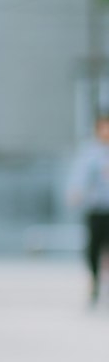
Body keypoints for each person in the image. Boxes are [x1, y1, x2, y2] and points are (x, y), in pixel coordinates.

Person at [67, 113, 109, 307]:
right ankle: (94, 283)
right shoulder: (90, 152)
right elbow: (80, 176)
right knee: (94, 249)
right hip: (97, 209)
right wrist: (76, 192)